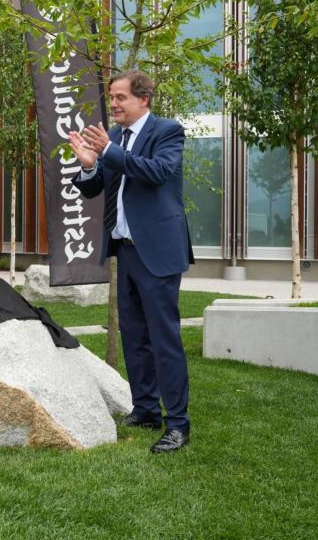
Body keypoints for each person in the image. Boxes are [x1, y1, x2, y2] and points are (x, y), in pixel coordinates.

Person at [69, 69, 194, 454]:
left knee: (164, 340)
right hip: (124, 249)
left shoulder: (166, 132)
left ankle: (177, 424)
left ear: (143, 99)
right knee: (135, 337)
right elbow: (95, 186)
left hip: (157, 251)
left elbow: (157, 173)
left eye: (120, 97)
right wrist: (90, 163)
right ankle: (145, 410)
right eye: (112, 98)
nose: (114, 104)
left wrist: (108, 152)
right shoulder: (117, 139)